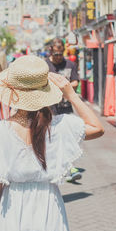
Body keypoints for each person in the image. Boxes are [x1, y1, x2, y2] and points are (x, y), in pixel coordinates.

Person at [0, 55, 104, 231]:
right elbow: (97, 128)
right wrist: (72, 95)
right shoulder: (60, 126)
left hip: (11, 209)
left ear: (13, 92)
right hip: (49, 208)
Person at [46, 37, 82, 183]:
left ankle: (68, 166)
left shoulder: (70, 64)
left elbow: (76, 81)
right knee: (53, 138)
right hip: (49, 107)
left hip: (66, 106)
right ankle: (64, 167)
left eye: (61, 54)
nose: (59, 57)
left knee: (68, 137)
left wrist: (65, 86)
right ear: (51, 51)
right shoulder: (45, 65)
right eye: (56, 54)